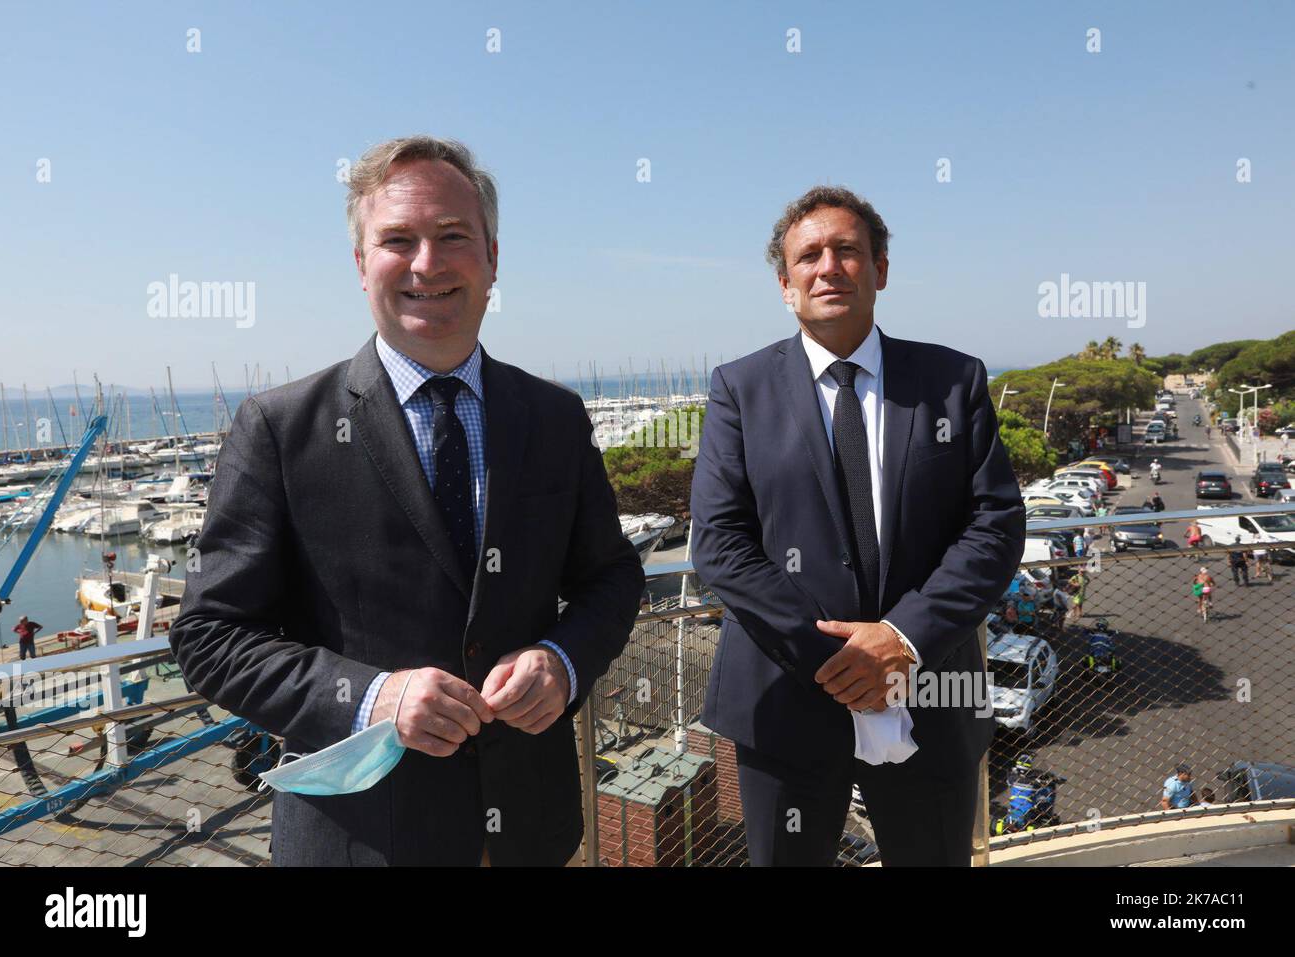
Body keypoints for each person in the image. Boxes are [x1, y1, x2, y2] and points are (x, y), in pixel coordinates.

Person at [169, 136, 645, 866]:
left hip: (530, 830)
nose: (428, 263)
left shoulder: (553, 417)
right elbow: (209, 637)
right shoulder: (279, 427)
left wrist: (563, 660)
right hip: (359, 840)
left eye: (453, 236)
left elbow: (611, 577)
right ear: (362, 265)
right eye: (398, 240)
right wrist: (372, 698)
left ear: (492, 257)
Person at [689, 185, 1024, 866]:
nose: (828, 266)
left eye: (847, 250)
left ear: (881, 270)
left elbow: (994, 524)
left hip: (929, 692)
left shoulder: (953, 381)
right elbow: (720, 543)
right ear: (786, 285)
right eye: (808, 256)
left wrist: (903, 638)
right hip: (785, 700)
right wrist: (843, 662)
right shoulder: (738, 389)